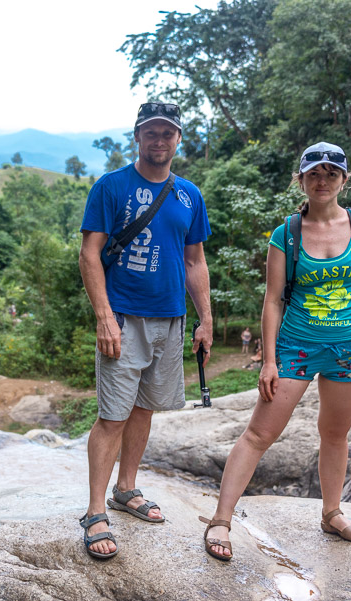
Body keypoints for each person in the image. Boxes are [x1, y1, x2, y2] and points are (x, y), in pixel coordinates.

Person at [200, 142, 351, 562]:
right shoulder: (285, 233)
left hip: (350, 348)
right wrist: (268, 359)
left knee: (335, 435)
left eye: (331, 174)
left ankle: (331, 512)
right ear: (300, 180)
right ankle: (221, 520)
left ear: (344, 179)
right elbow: (273, 299)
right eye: (314, 174)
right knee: (259, 434)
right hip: (296, 346)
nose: (322, 181)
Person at [78, 102, 213, 559]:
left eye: (167, 134)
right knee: (113, 414)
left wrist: (205, 319)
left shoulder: (188, 195)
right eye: (151, 133)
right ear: (137, 136)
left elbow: (195, 261)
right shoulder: (112, 186)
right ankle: (96, 509)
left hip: (170, 319)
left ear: (179, 139)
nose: (159, 141)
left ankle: (126, 489)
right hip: (124, 318)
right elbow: (89, 253)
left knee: (144, 409)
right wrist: (103, 316)